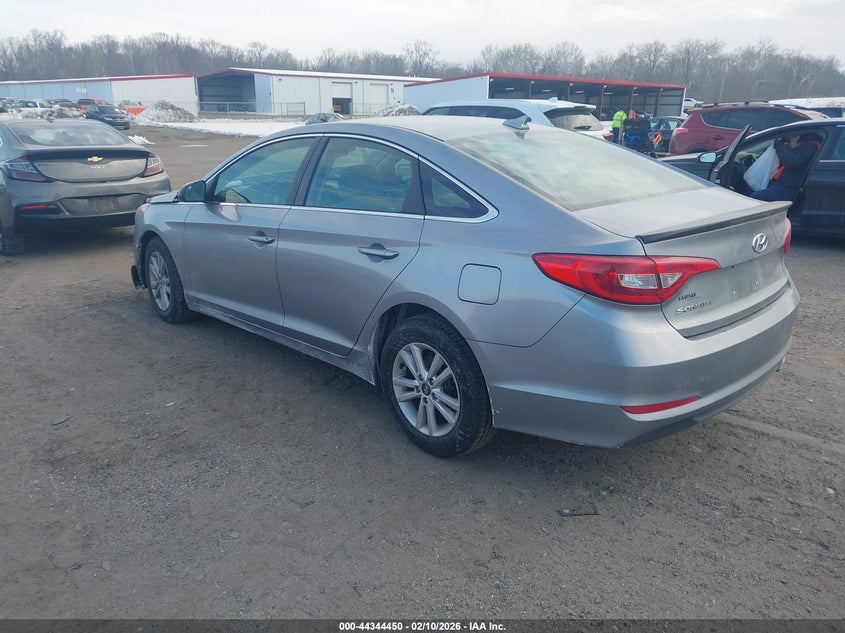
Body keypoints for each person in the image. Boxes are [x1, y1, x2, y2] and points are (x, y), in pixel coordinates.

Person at [751, 132, 822, 202]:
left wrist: (779, 145)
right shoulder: (806, 149)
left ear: (800, 140)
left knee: (754, 198)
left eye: (791, 139)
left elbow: (792, 161)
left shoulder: (811, 147)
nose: (790, 143)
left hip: (790, 187)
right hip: (786, 185)